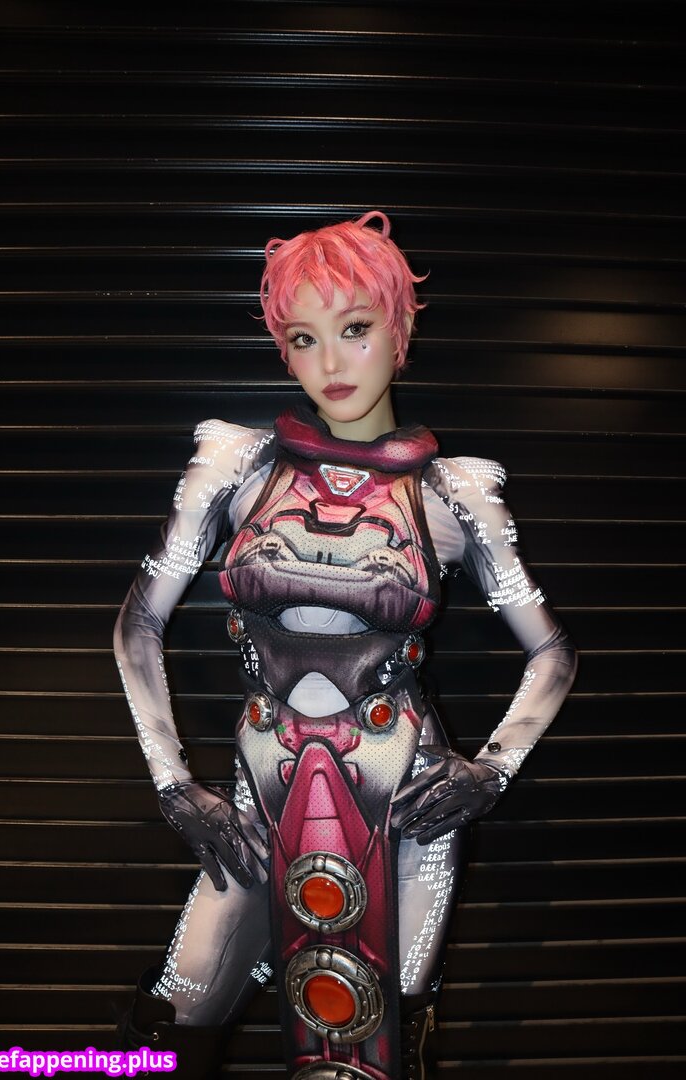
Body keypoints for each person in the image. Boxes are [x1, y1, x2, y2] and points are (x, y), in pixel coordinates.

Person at [113, 211, 577, 1080]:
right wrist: (172, 781)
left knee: (372, 1044)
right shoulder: (236, 467)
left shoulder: (456, 494)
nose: (331, 362)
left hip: (406, 804)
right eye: (304, 337)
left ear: (400, 330)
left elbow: (552, 652)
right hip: (259, 792)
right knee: (168, 1030)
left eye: (355, 328)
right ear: (284, 351)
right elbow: (138, 622)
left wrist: (493, 770)